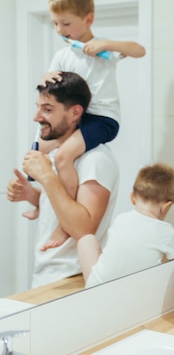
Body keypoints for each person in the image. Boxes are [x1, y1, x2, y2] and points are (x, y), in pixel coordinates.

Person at [26, 0, 145, 251]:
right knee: (41, 149)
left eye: (65, 24)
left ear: (88, 19)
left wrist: (108, 43)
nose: (59, 30)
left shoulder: (105, 51)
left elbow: (139, 50)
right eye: (55, 24)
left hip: (102, 119)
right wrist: (46, 76)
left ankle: (63, 225)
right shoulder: (63, 55)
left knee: (64, 156)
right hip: (78, 119)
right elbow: (48, 84)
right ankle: (38, 203)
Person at [6, 72, 119, 288]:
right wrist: (33, 195)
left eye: (47, 109)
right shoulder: (56, 152)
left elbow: (83, 230)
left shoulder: (96, 160)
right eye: (38, 107)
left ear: (75, 112)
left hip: (72, 278)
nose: (36, 117)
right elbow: (65, 203)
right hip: (46, 276)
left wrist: (47, 177)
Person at [78, 163, 174, 288]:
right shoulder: (166, 231)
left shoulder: (121, 219)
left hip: (98, 287)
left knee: (87, 240)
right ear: (166, 207)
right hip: (134, 293)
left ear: (132, 197)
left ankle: (91, 286)